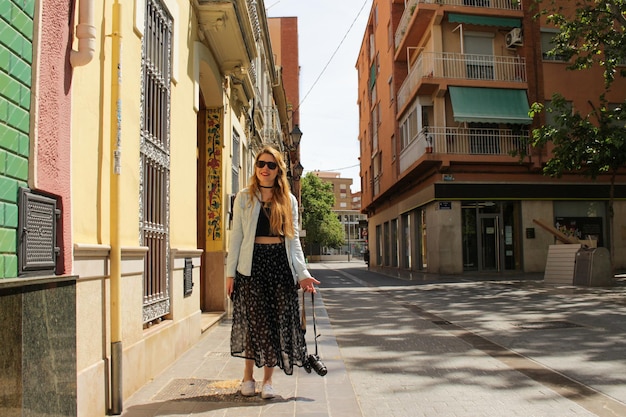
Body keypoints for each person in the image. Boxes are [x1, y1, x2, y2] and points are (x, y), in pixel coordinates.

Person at [226, 145, 320, 399]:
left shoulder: (288, 201)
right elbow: (236, 238)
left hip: (279, 265)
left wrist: (302, 273)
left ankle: (267, 381)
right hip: (251, 266)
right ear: (255, 168)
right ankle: (247, 377)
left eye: (271, 165)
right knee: (253, 323)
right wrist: (230, 273)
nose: (265, 169)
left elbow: (294, 240)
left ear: (279, 170)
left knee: (274, 325)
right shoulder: (243, 198)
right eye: (261, 164)